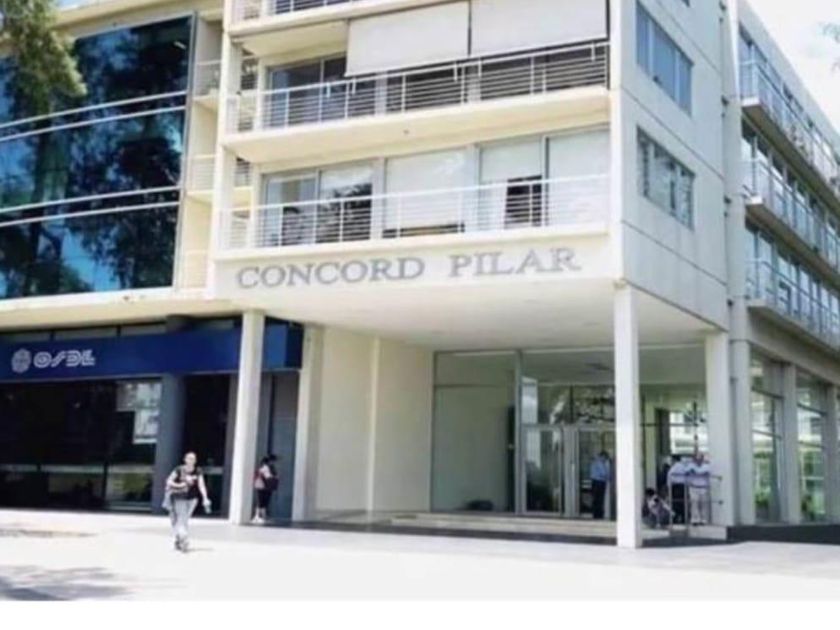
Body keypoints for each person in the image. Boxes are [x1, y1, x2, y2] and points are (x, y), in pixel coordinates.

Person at [163, 452, 211, 552]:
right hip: (179, 498)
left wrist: (205, 497)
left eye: (193, 459)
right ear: (185, 459)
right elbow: (169, 481)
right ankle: (184, 540)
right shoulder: (179, 469)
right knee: (182, 519)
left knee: (184, 519)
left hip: (192, 499)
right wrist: (179, 485)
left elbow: (201, 485)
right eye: (189, 458)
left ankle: (178, 539)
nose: (191, 460)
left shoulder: (198, 471)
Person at [252, 454, 279, 524]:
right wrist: (275, 477)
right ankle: (257, 516)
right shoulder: (265, 467)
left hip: (264, 486)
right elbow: (268, 476)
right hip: (263, 486)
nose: (274, 463)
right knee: (261, 501)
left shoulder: (267, 467)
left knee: (264, 501)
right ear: (270, 461)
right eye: (273, 461)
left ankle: (263, 516)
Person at [687, 452, 712, 525]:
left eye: (700, 459)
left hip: (703, 487)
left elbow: (705, 473)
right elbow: (688, 472)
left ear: (702, 459)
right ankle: (695, 519)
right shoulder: (690, 466)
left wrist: (696, 473)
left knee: (704, 504)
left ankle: (704, 519)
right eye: (697, 459)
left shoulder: (706, 466)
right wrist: (697, 473)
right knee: (694, 503)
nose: (698, 460)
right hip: (693, 487)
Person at [666, 455, 690, 524]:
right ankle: (684, 518)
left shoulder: (674, 467)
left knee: (676, 503)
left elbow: (670, 477)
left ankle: (676, 518)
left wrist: (668, 488)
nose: (671, 462)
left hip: (676, 487)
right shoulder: (684, 466)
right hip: (683, 486)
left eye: (671, 460)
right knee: (683, 503)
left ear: (674, 460)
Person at [589, 451, 612, 520]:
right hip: (599, 482)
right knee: (599, 500)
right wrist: (608, 475)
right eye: (605, 458)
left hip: (595, 482)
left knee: (596, 499)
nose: (605, 460)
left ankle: (596, 514)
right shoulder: (600, 462)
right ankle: (598, 515)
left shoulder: (595, 461)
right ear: (603, 456)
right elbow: (604, 473)